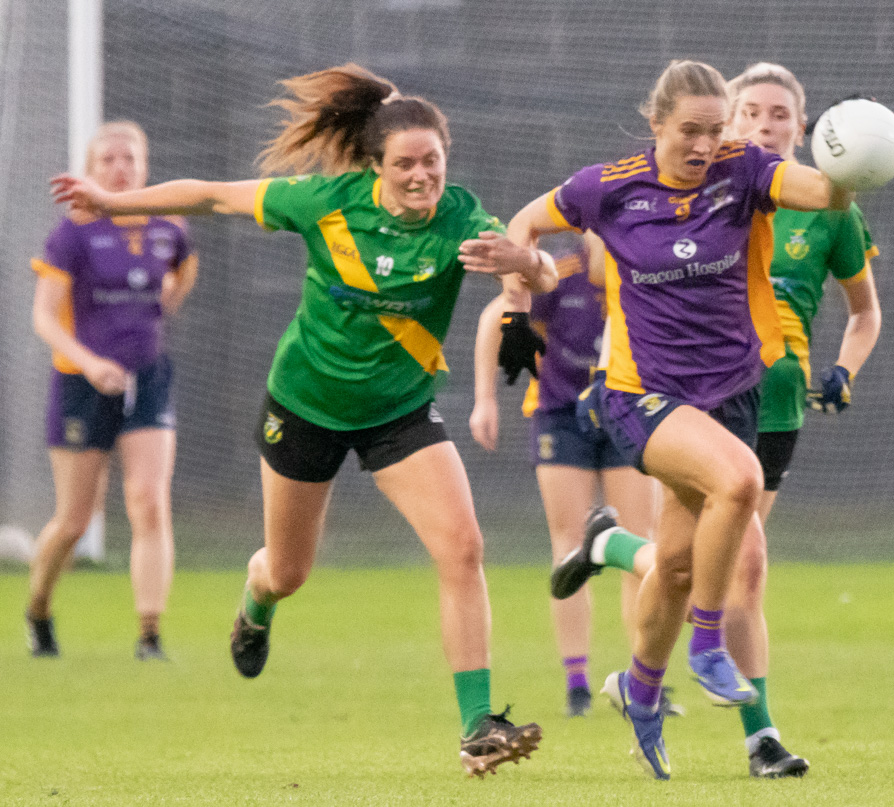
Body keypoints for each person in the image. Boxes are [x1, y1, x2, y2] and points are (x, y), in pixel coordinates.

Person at [51, 64, 555, 778]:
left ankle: (476, 725)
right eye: (404, 164)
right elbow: (211, 197)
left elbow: (544, 277)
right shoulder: (324, 201)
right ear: (375, 166)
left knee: (463, 546)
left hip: (398, 412)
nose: (420, 176)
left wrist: (523, 260)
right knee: (288, 570)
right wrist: (112, 201)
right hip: (305, 406)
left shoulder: (465, 217)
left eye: (431, 162)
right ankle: (256, 599)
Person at [503, 58, 856, 780]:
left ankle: (638, 688)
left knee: (671, 563)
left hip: (732, 393)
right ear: (655, 124)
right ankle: (705, 643)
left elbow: (822, 192)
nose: (702, 145)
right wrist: (518, 302)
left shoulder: (745, 170)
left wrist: (858, 157)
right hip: (640, 394)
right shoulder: (605, 186)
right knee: (738, 480)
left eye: (712, 131)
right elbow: (525, 225)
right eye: (687, 131)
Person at [470, 232, 661, 718]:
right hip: (560, 417)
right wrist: (485, 399)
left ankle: (645, 677)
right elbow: (496, 316)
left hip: (627, 415)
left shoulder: (643, 279)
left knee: (641, 543)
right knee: (570, 545)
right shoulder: (561, 276)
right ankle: (577, 683)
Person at [28, 120, 198, 661]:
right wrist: (92, 361)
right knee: (76, 520)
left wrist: (157, 311)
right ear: (90, 169)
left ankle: (149, 636)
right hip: (81, 383)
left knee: (149, 500)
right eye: (108, 159)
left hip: (146, 377)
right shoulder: (72, 233)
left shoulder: (167, 228)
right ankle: (38, 608)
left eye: (130, 158)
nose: (120, 168)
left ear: (145, 167)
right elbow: (45, 318)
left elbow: (180, 274)